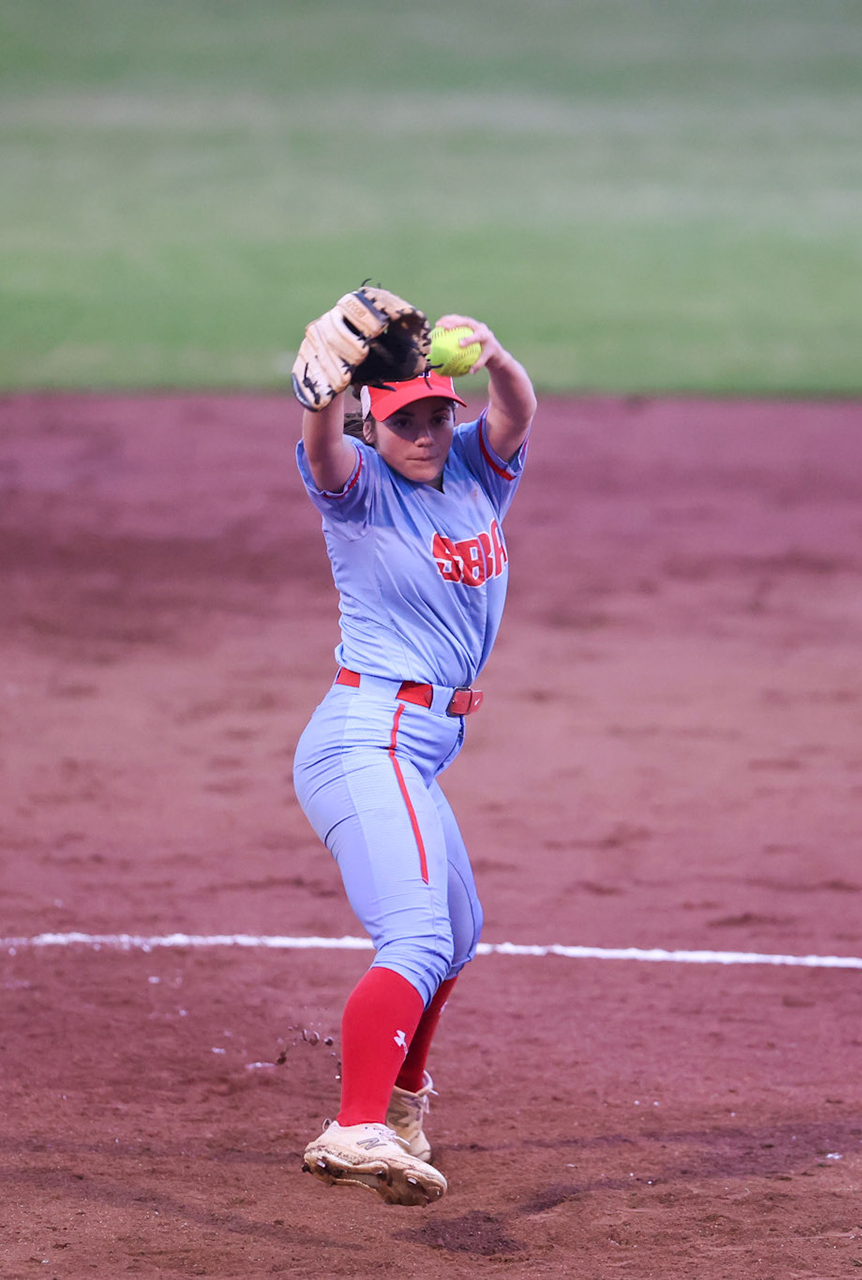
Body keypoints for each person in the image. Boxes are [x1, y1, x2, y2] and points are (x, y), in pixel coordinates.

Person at [291, 310, 537, 1206]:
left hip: (416, 750)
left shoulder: (474, 471)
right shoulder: (356, 490)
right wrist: (320, 401)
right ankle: (355, 1126)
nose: (428, 436)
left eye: (437, 415)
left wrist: (500, 353)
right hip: (368, 738)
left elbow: (517, 414)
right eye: (405, 422)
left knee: (459, 933)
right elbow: (322, 454)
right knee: (419, 935)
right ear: (371, 423)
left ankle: (398, 1108)